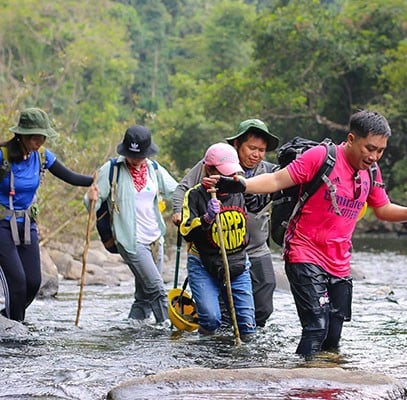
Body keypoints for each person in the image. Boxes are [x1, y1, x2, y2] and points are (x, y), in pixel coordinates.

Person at [203, 110, 407, 356]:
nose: (374, 156)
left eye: (380, 150)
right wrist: (240, 184)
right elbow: (276, 181)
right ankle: (303, 382)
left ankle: (325, 385)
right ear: (351, 139)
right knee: (315, 327)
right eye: (369, 148)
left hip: (339, 262)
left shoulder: (371, 171)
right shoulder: (322, 157)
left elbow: (383, 209)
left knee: (333, 337)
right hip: (304, 253)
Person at [171, 118, 279, 327]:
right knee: (221, 312)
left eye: (262, 150)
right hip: (218, 250)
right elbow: (182, 188)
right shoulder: (213, 164)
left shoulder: (269, 172)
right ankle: (224, 349)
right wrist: (178, 212)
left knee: (264, 304)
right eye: (252, 148)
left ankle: (249, 341)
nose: (256, 155)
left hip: (256, 248)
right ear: (237, 144)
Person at [0, 107, 94, 322]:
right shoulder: (2, 156)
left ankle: (8, 321)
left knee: (33, 282)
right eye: (36, 137)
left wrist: (99, 179)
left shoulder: (42, 156)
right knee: (17, 282)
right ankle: (16, 331)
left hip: (27, 224)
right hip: (2, 225)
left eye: (43, 137)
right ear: (22, 135)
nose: (40, 142)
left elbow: (70, 176)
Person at [85, 125, 178, 327]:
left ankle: (133, 332)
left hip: (155, 238)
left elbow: (177, 191)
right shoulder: (111, 169)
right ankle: (172, 334)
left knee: (144, 296)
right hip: (130, 240)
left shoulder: (154, 169)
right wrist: (90, 197)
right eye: (132, 155)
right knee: (156, 289)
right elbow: (93, 200)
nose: (135, 160)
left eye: (140, 156)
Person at [179, 142, 256, 339]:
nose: (227, 179)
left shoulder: (240, 190)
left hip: (237, 265)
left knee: (247, 325)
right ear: (208, 169)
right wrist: (206, 218)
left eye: (231, 174)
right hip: (204, 264)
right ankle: (206, 355)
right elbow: (186, 231)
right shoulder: (195, 195)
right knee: (212, 319)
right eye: (222, 174)